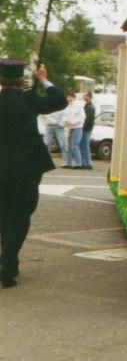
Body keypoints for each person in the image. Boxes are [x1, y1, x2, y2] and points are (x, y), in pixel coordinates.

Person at [0, 60, 66, 288]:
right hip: (26, 170)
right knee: (19, 216)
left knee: (3, 215)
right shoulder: (29, 100)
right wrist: (43, 80)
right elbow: (61, 100)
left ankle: (9, 260)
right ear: (21, 80)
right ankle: (8, 263)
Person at [60, 91, 86, 169]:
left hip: (77, 127)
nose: (69, 98)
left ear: (74, 98)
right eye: (68, 97)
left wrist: (73, 122)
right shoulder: (66, 106)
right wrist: (65, 121)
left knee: (75, 145)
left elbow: (82, 116)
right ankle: (68, 163)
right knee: (68, 146)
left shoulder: (78, 106)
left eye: (71, 97)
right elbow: (63, 116)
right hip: (68, 127)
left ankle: (79, 163)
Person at [80, 91, 95, 171]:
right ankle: (84, 162)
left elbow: (87, 119)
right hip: (85, 128)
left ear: (89, 97)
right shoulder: (87, 106)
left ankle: (87, 163)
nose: (83, 96)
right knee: (83, 146)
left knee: (85, 146)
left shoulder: (90, 107)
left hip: (86, 129)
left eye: (84, 95)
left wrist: (82, 126)